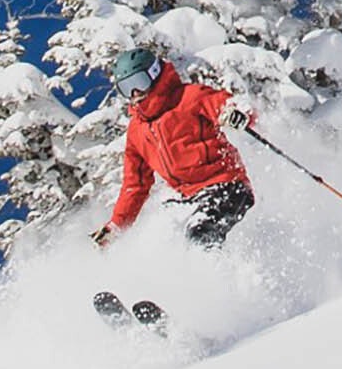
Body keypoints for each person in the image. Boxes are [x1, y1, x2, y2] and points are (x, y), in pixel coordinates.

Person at [91, 49, 256, 250]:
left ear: (153, 74)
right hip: (189, 197)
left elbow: (226, 104)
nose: (135, 93)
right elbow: (135, 185)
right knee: (162, 241)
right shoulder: (136, 132)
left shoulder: (189, 97)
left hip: (227, 186)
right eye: (126, 88)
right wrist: (116, 226)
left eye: (139, 82)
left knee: (200, 232)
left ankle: (216, 278)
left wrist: (236, 113)